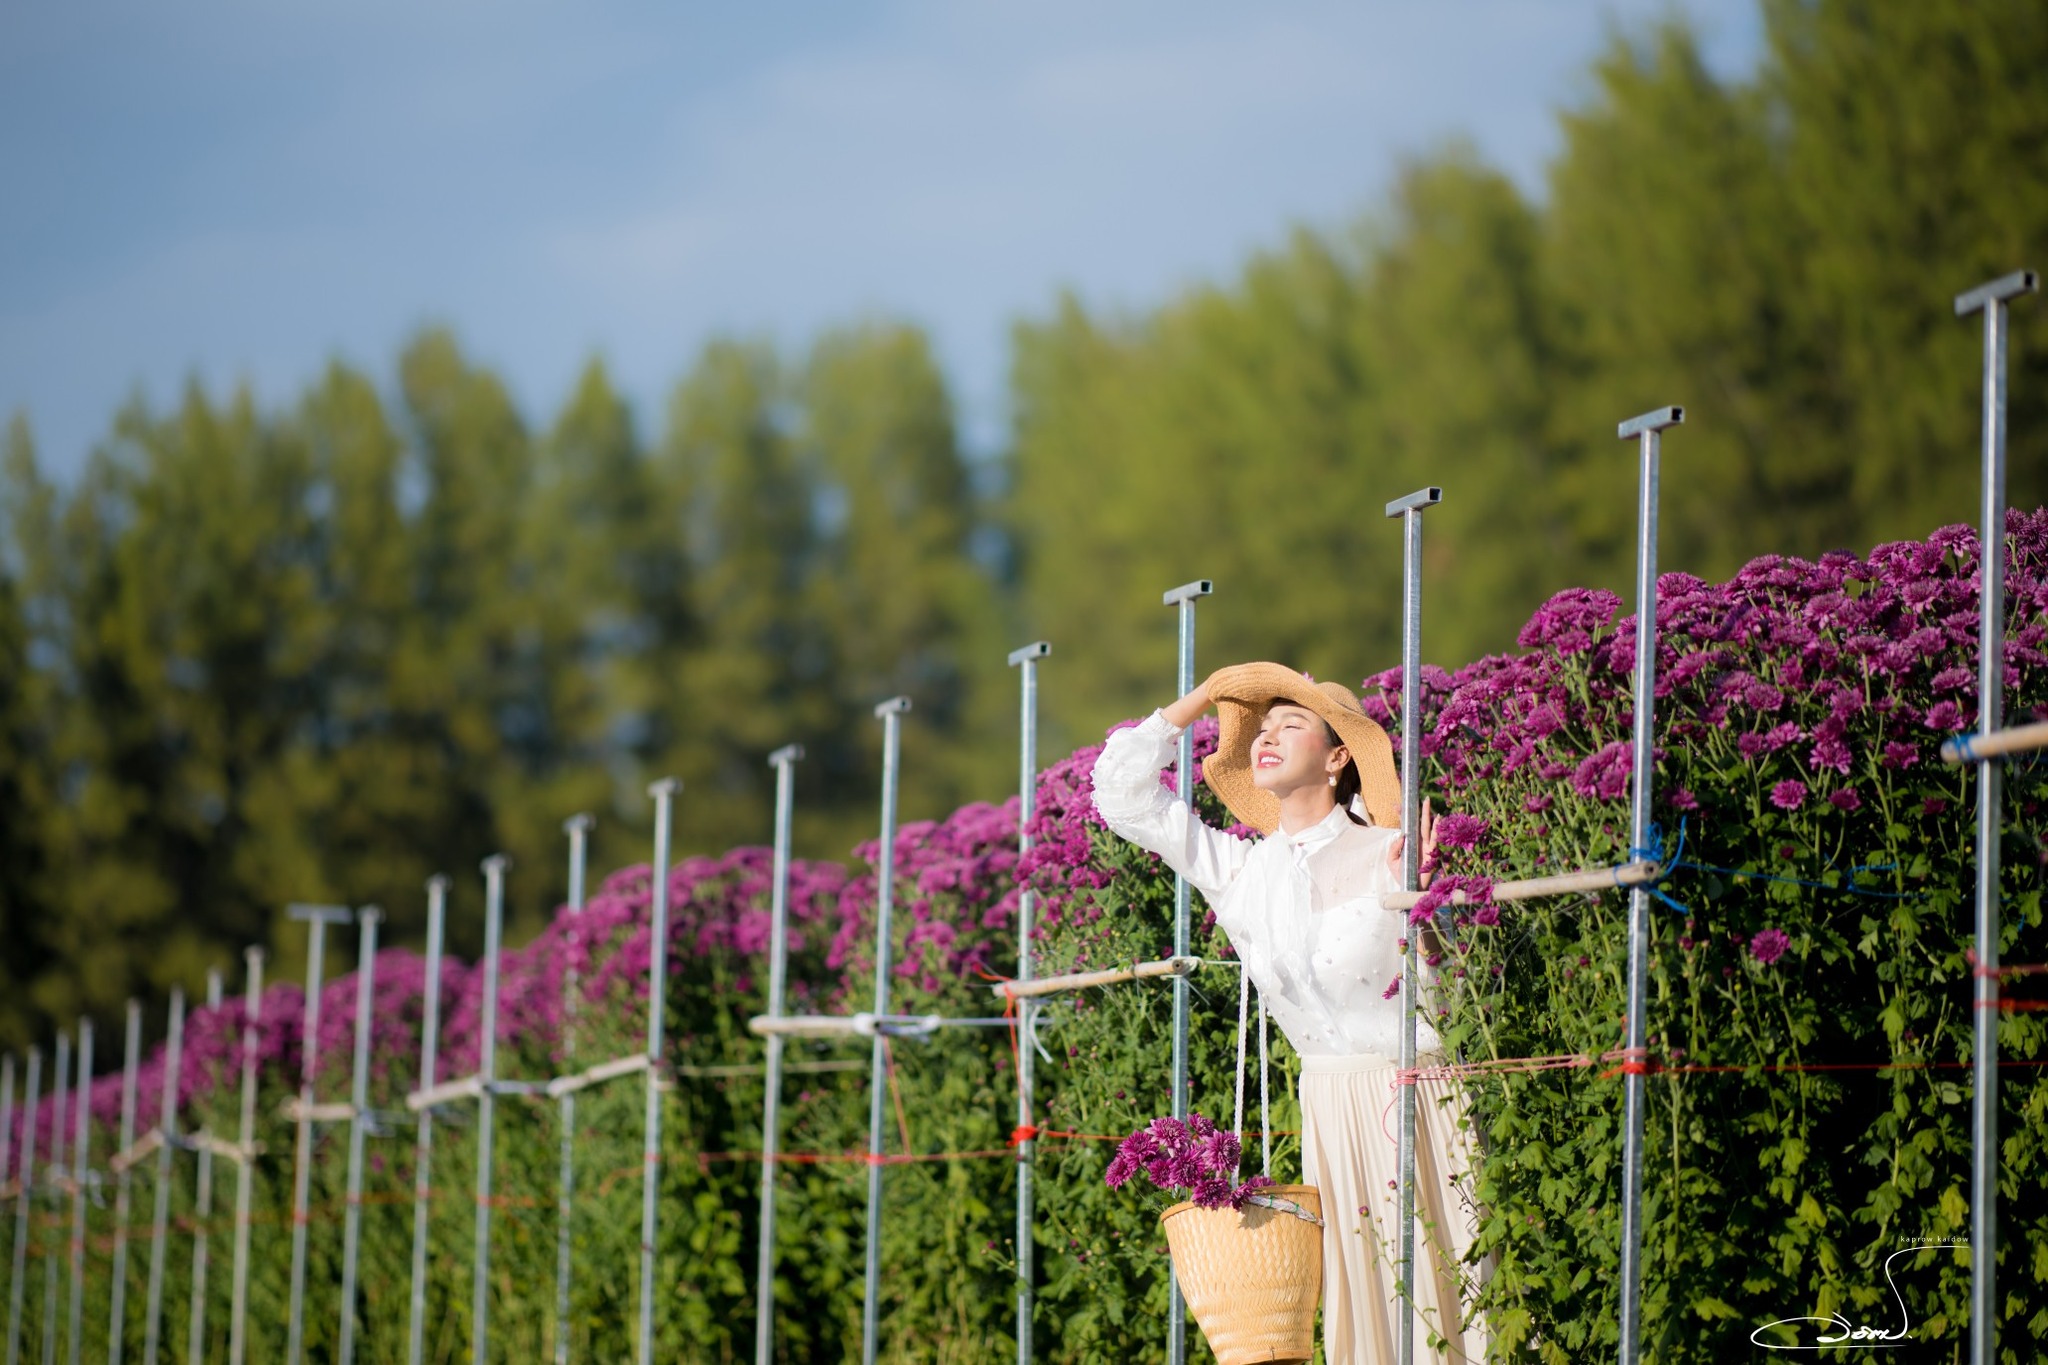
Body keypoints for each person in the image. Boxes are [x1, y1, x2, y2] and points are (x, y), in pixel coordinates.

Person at [1090, 661, 1487, 1365]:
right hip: (1329, 1106)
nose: (1265, 737)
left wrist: (1424, 899)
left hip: (1421, 1098)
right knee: (1363, 1311)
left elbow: (1453, 992)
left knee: (1448, 1297)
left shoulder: (1391, 851)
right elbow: (1121, 793)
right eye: (1260, 729)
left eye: (1291, 723)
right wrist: (1205, 696)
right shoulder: (1243, 871)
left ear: (1338, 756)